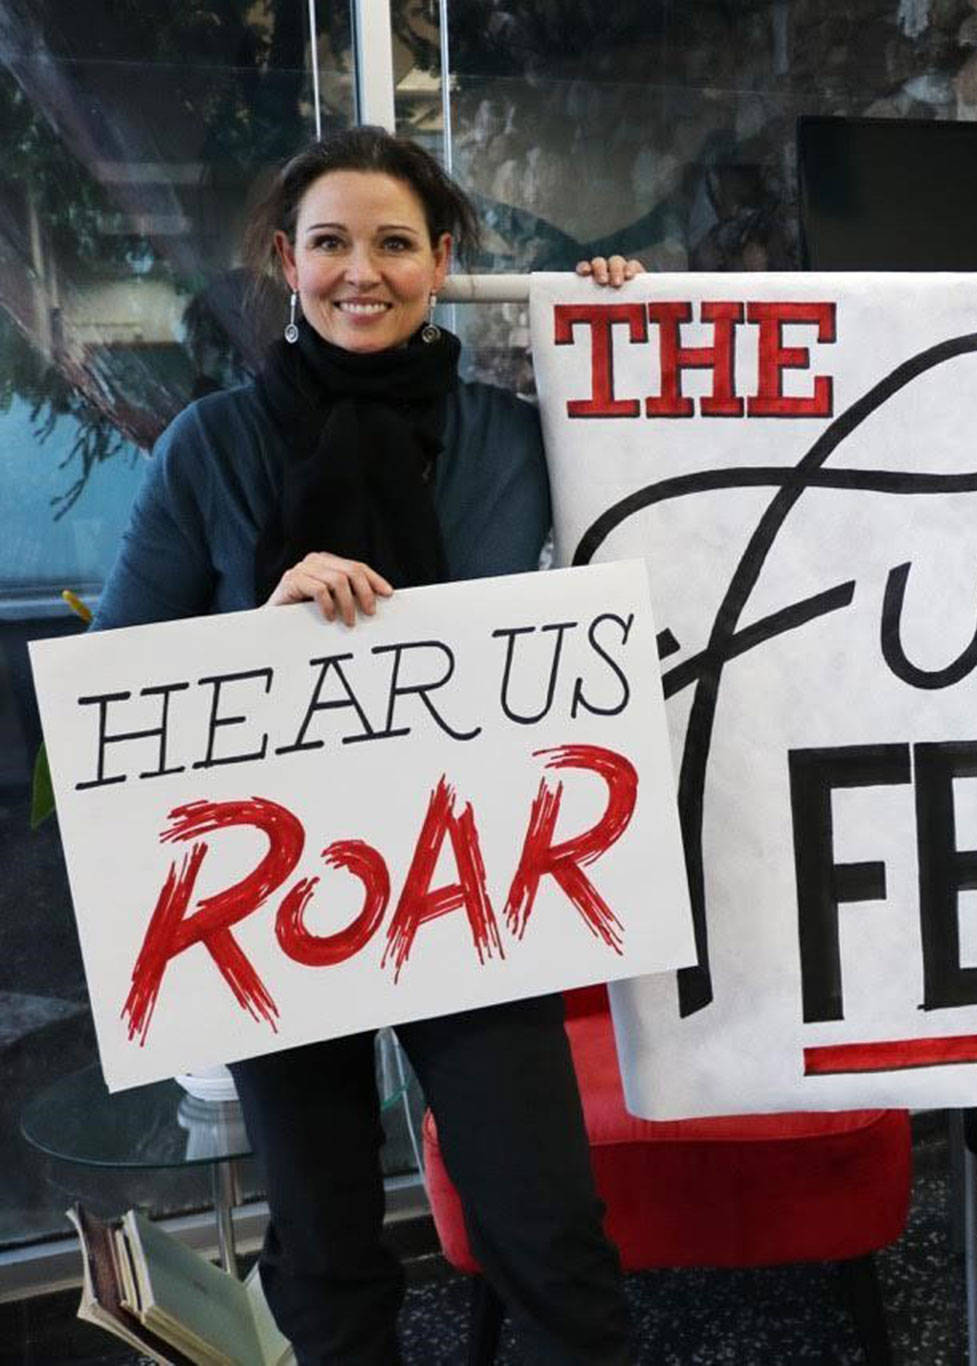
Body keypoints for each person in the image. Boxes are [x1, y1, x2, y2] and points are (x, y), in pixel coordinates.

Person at [92, 126, 644, 1364]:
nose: (363, 271)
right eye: (331, 243)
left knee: (551, 1235)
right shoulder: (213, 446)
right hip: (278, 895)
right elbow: (116, 678)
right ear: (286, 262)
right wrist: (264, 627)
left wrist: (627, 337)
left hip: (476, 883)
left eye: (395, 243)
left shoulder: (518, 436)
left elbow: (677, 480)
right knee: (326, 1251)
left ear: (440, 260)